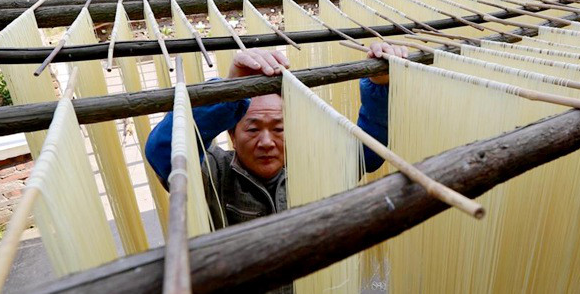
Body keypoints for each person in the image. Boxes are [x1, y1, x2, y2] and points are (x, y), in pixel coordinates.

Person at [145, 42, 409, 230]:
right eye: (252, 128)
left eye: (279, 128)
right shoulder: (213, 174)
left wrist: (380, 84)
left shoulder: (315, 169)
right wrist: (227, 94)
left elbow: (369, 154)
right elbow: (163, 153)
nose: (267, 141)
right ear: (232, 135)